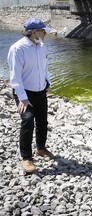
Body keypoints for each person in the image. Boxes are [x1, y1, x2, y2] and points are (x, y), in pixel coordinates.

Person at [7, 17, 55, 173]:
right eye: (43, 32)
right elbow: (15, 77)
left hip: (40, 90)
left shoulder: (42, 47)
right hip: (24, 92)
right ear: (34, 32)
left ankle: (41, 148)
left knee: (42, 120)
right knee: (27, 120)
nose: (45, 34)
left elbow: (45, 67)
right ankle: (26, 158)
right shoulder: (17, 49)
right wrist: (23, 98)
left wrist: (47, 83)